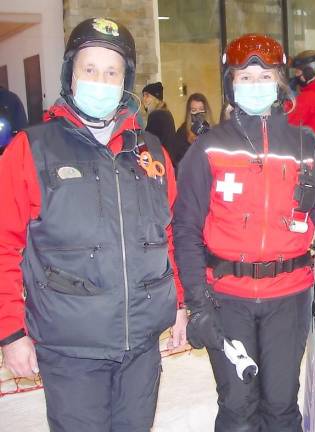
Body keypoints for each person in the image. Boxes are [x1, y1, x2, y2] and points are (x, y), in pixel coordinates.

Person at [0, 18, 187, 431]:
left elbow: (169, 236)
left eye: (111, 72)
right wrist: (11, 333)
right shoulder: (31, 150)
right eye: (89, 69)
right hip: (70, 350)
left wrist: (177, 304)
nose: (100, 80)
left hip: (140, 347)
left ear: (125, 81)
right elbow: (3, 246)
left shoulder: (151, 153)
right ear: (71, 74)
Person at [172, 33, 315, 432]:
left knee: (281, 405)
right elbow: (184, 230)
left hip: (289, 296)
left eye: (264, 75)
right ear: (230, 84)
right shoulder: (208, 149)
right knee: (237, 408)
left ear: (280, 82)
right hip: (227, 299)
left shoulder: (305, 143)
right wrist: (197, 304)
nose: (255, 85)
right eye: (245, 77)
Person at [169, 92, 214, 171]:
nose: (198, 113)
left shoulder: (211, 130)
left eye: (201, 109)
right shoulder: (183, 131)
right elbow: (176, 159)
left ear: (206, 110)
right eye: (194, 110)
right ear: (189, 112)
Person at [142, 81, 176, 147]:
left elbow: (149, 142)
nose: (144, 99)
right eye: (143, 95)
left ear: (156, 99)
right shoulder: (165, 113)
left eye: (147, 96)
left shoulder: (156, 115)